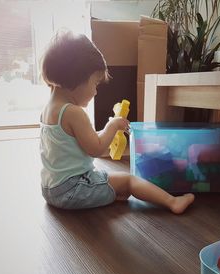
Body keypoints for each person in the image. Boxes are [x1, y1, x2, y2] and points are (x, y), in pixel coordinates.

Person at [39, 30, 194, 214]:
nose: (96, 91)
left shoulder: (48, 109)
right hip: (74, 190)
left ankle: (111, 192)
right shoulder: (73, 112)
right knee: (129, 181)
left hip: (51, 189)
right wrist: (112, 126)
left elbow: (77, 143)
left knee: (118, 186)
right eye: (95, 83)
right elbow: (96, 149)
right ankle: (173, 202)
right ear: (77, 77)